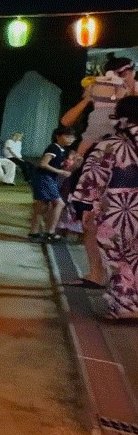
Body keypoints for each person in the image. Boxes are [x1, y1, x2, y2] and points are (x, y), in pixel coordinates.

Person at [68, 95, 138, 319]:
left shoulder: (110, 146)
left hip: (118, 210)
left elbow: (92, 180)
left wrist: (86, 207)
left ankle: (127, 306)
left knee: (119, 258)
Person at [63, 57, 136, 156]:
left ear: (133, 72)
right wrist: (88, 97)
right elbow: (66, 121)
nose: (119, 80)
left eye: (123, 74)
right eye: (114, 76)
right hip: (96, 145)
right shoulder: (99, 89)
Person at [28, 126, 75, 243]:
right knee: (59, 203)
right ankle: (50, 233)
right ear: (57, 136)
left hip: (45, 178)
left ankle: (34, 233)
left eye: (72, 137)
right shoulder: (54, 147)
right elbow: (43, 163)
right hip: (45, 178)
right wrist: (61, 172)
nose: (70, 139)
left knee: (41, 206)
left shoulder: (61, 150)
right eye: (67, 136)